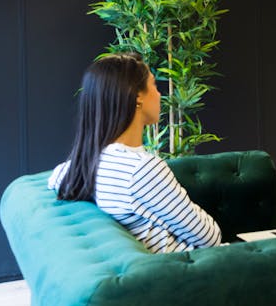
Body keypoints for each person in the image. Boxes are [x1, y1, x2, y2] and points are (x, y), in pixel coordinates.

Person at [48, 52, 222, 253]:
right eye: (154, 85)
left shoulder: (78, 167)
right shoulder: (141, 170)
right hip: (191, 273)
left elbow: (56, 177)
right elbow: (210, 237)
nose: (159, 94)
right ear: (137, 96)